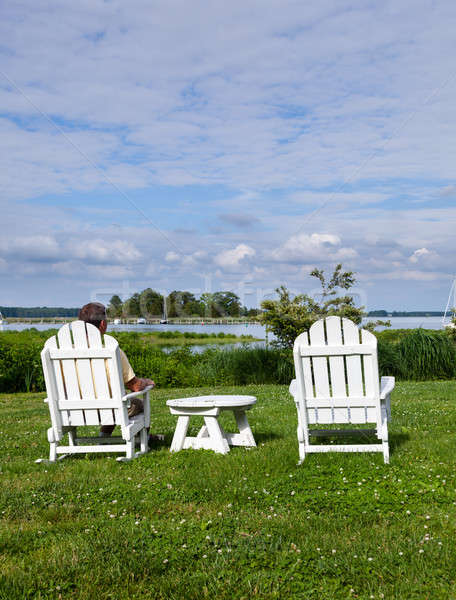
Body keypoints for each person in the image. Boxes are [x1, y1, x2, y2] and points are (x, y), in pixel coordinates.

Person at [78, 302, 162, 445]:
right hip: (110, 409)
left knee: (114, 399)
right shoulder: (112, 351)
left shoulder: (60, 352)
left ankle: (103, 439)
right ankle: (144, 440)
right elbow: (135, 387)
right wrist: (147, 382)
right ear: (103, 324)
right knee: (136, 404)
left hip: (75, 412)